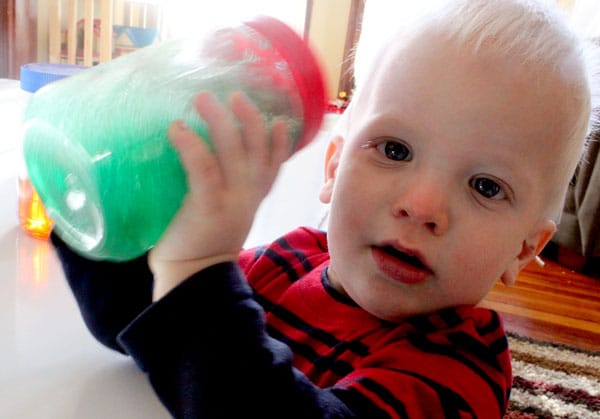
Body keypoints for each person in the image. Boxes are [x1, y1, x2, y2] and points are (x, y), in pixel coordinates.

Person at [51, 0, 599, 417]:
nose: (421, 206)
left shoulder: (458, 373)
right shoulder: (287, 260)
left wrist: (197, 270)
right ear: (334, 167)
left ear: (525, 248)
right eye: (394, 150)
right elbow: (150, 328)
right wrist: (90, 206)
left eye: (484, 186)